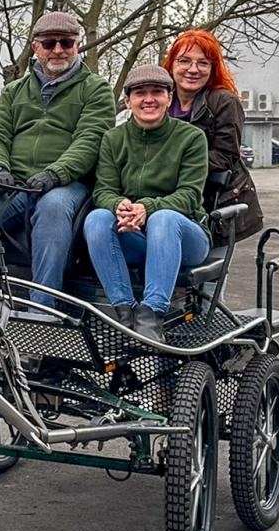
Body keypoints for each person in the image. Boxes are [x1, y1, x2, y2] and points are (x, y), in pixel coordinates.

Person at [0, 11, 114, 305]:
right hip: (16, 183)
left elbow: (90, 141)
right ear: (36, 47)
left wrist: (56, 173)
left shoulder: (97, 90)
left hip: (67, 184)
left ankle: (43, 307)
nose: (58, 50)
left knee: (53, 207)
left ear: (78, 45)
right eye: (49, 43)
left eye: (66, 42)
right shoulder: (14, 92)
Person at [82, 65, 210, 342]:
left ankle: (151, 313)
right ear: (128, 101)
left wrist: (147, 209)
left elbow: (190, 194)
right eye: (140, 93)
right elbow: (103, 190)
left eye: (157, 92)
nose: (148, 99)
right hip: (134, 236)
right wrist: (121, 206)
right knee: (96, 219)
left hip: (183, 236)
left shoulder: (191, 138)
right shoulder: (113, 139)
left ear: (169, 98)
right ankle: (124, 310)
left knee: (163, 218)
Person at [162, 30, 263, 240]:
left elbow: (226, 156)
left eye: (203, 63)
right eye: (184, 61)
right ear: (171, 65)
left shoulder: (224, 102)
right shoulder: (158, 101)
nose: (193, 69)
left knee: (204, 269)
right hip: (167, 195)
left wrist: (169, 165)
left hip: (216, 199)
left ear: (213, 68)